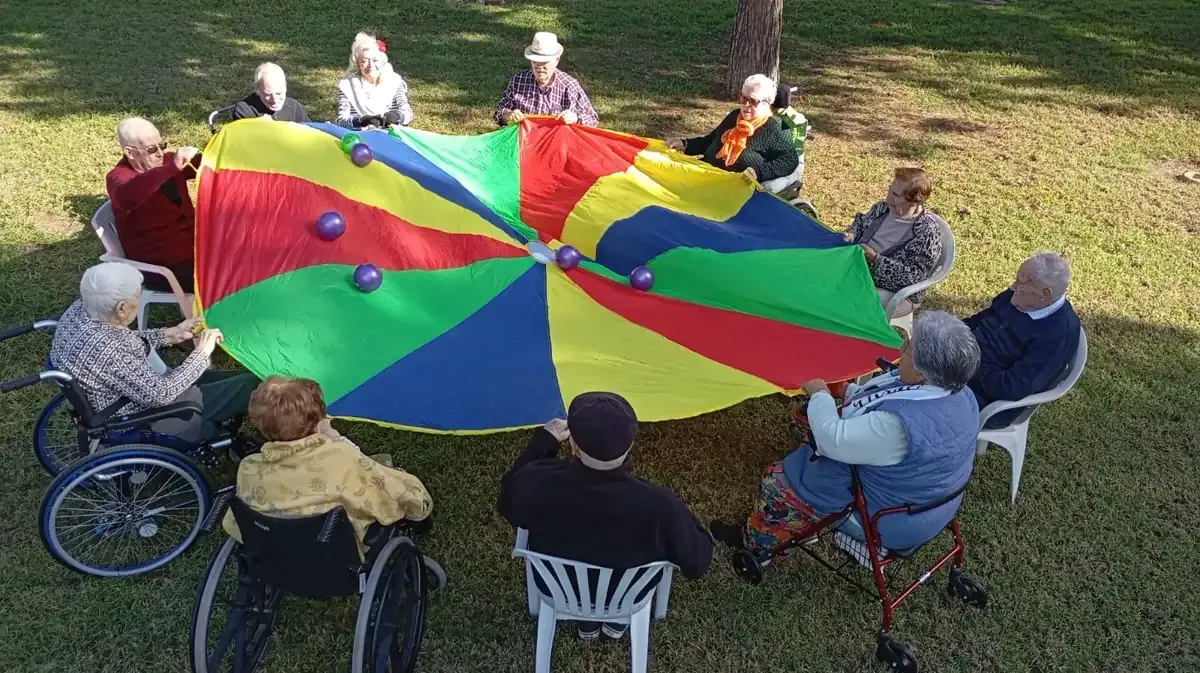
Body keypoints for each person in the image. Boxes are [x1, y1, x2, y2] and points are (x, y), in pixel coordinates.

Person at [710, 312, 980, 563]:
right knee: (809, 424)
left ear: (923, 374)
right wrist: (848, 391)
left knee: (776, 481)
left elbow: (832, 440)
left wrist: (820, 394)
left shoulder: (897, 426)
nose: (901, 350)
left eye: (909, 348)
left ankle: (760, 548)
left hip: (888, 518)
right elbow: (888, 401)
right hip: (931, 506)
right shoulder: (961, 395)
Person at [498, 392, 712, 641]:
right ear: (630, 444)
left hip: (559, 589)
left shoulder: (537, 482)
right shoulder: (659, 505)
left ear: (573, 444)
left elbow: (507, 501)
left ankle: (585, 623)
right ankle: (615, 624)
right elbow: (698, 563)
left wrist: (543, 443)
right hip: (628, 596)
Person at [49, 262, 258, 443]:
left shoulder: (80, 311)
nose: (138, 302)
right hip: (145, 415)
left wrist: (170, 334)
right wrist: (202, 353)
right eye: (136, 299)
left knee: (234, 379)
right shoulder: (112, 351)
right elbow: (163, 394)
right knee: (250, 384)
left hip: (117, 397)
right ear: (122, 308)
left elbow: (126, 341)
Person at [222, 376, 433, 553]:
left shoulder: (248, 469)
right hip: (337, 554)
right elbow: (393, 488)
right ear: (319, 421)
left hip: (276, 551)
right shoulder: (341, 459)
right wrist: (419, 509)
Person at [966, 252, 1080, 428]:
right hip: (959, 362)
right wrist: (949, 332)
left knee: (918, 401)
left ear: (1045, 294)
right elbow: (981, 320)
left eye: (1021, 283)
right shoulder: (1018, 297)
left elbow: (1013, 387)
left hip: (984, 397)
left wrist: (965, 368)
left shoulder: (1058, 332)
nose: (1013, 286)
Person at [106, 117, 201, 293]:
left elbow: (205, 164)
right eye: (151, 149)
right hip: (164, 269)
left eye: (162, 145)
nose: (160, 153)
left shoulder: (165, 162)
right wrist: (172, 167)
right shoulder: (118, 178)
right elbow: (129, 195)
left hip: (195, 249)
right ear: (130, 152)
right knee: (234, 278)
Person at [844, 167, 947, 317]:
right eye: (890, 191)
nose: (888, 198)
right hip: (858, 270)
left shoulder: (927, 233)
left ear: (914, 202)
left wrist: (876, 259)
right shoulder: (882, 209)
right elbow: (860, 222)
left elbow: (914, 277)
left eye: (896, 195)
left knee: (845, 299)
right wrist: (852, 234)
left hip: (893, 290)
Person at [666, 74, 799, 185]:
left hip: (733, 188)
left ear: (767, 103)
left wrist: (757, 172)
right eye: (743, 98)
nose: (746, 105)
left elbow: (789, 160)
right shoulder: (735, 116)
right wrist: (685, 144)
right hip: (707, 176)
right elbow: (710, 140)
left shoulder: (776, 126)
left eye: (753, 101)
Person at [494, 31, 599, 127]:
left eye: (545, 62)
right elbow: (499, 112)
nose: (539, 67)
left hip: (557, 143)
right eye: (535, 61)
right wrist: (509, 115)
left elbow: (592, 118)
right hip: (525, 142)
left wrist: (575, 117)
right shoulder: (518, 80)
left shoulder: (569, 85)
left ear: (556, 60)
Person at [336, 32, 414, 130]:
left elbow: (408, 114)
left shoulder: (394, 82)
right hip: (360, 138)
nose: (370, 65)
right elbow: (341, 121)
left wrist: (397, 116)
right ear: (357, 64)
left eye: (375, 60)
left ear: (382, 61)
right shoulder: (347, 86)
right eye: (364, 61)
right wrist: (361, 121)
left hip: (392, 136)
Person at [230, 62, 309, 123]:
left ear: (285, 88)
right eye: (267, 94)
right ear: (258, 91)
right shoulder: (245, 110)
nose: (274, 100)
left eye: (279, 93)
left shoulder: (296, 109)